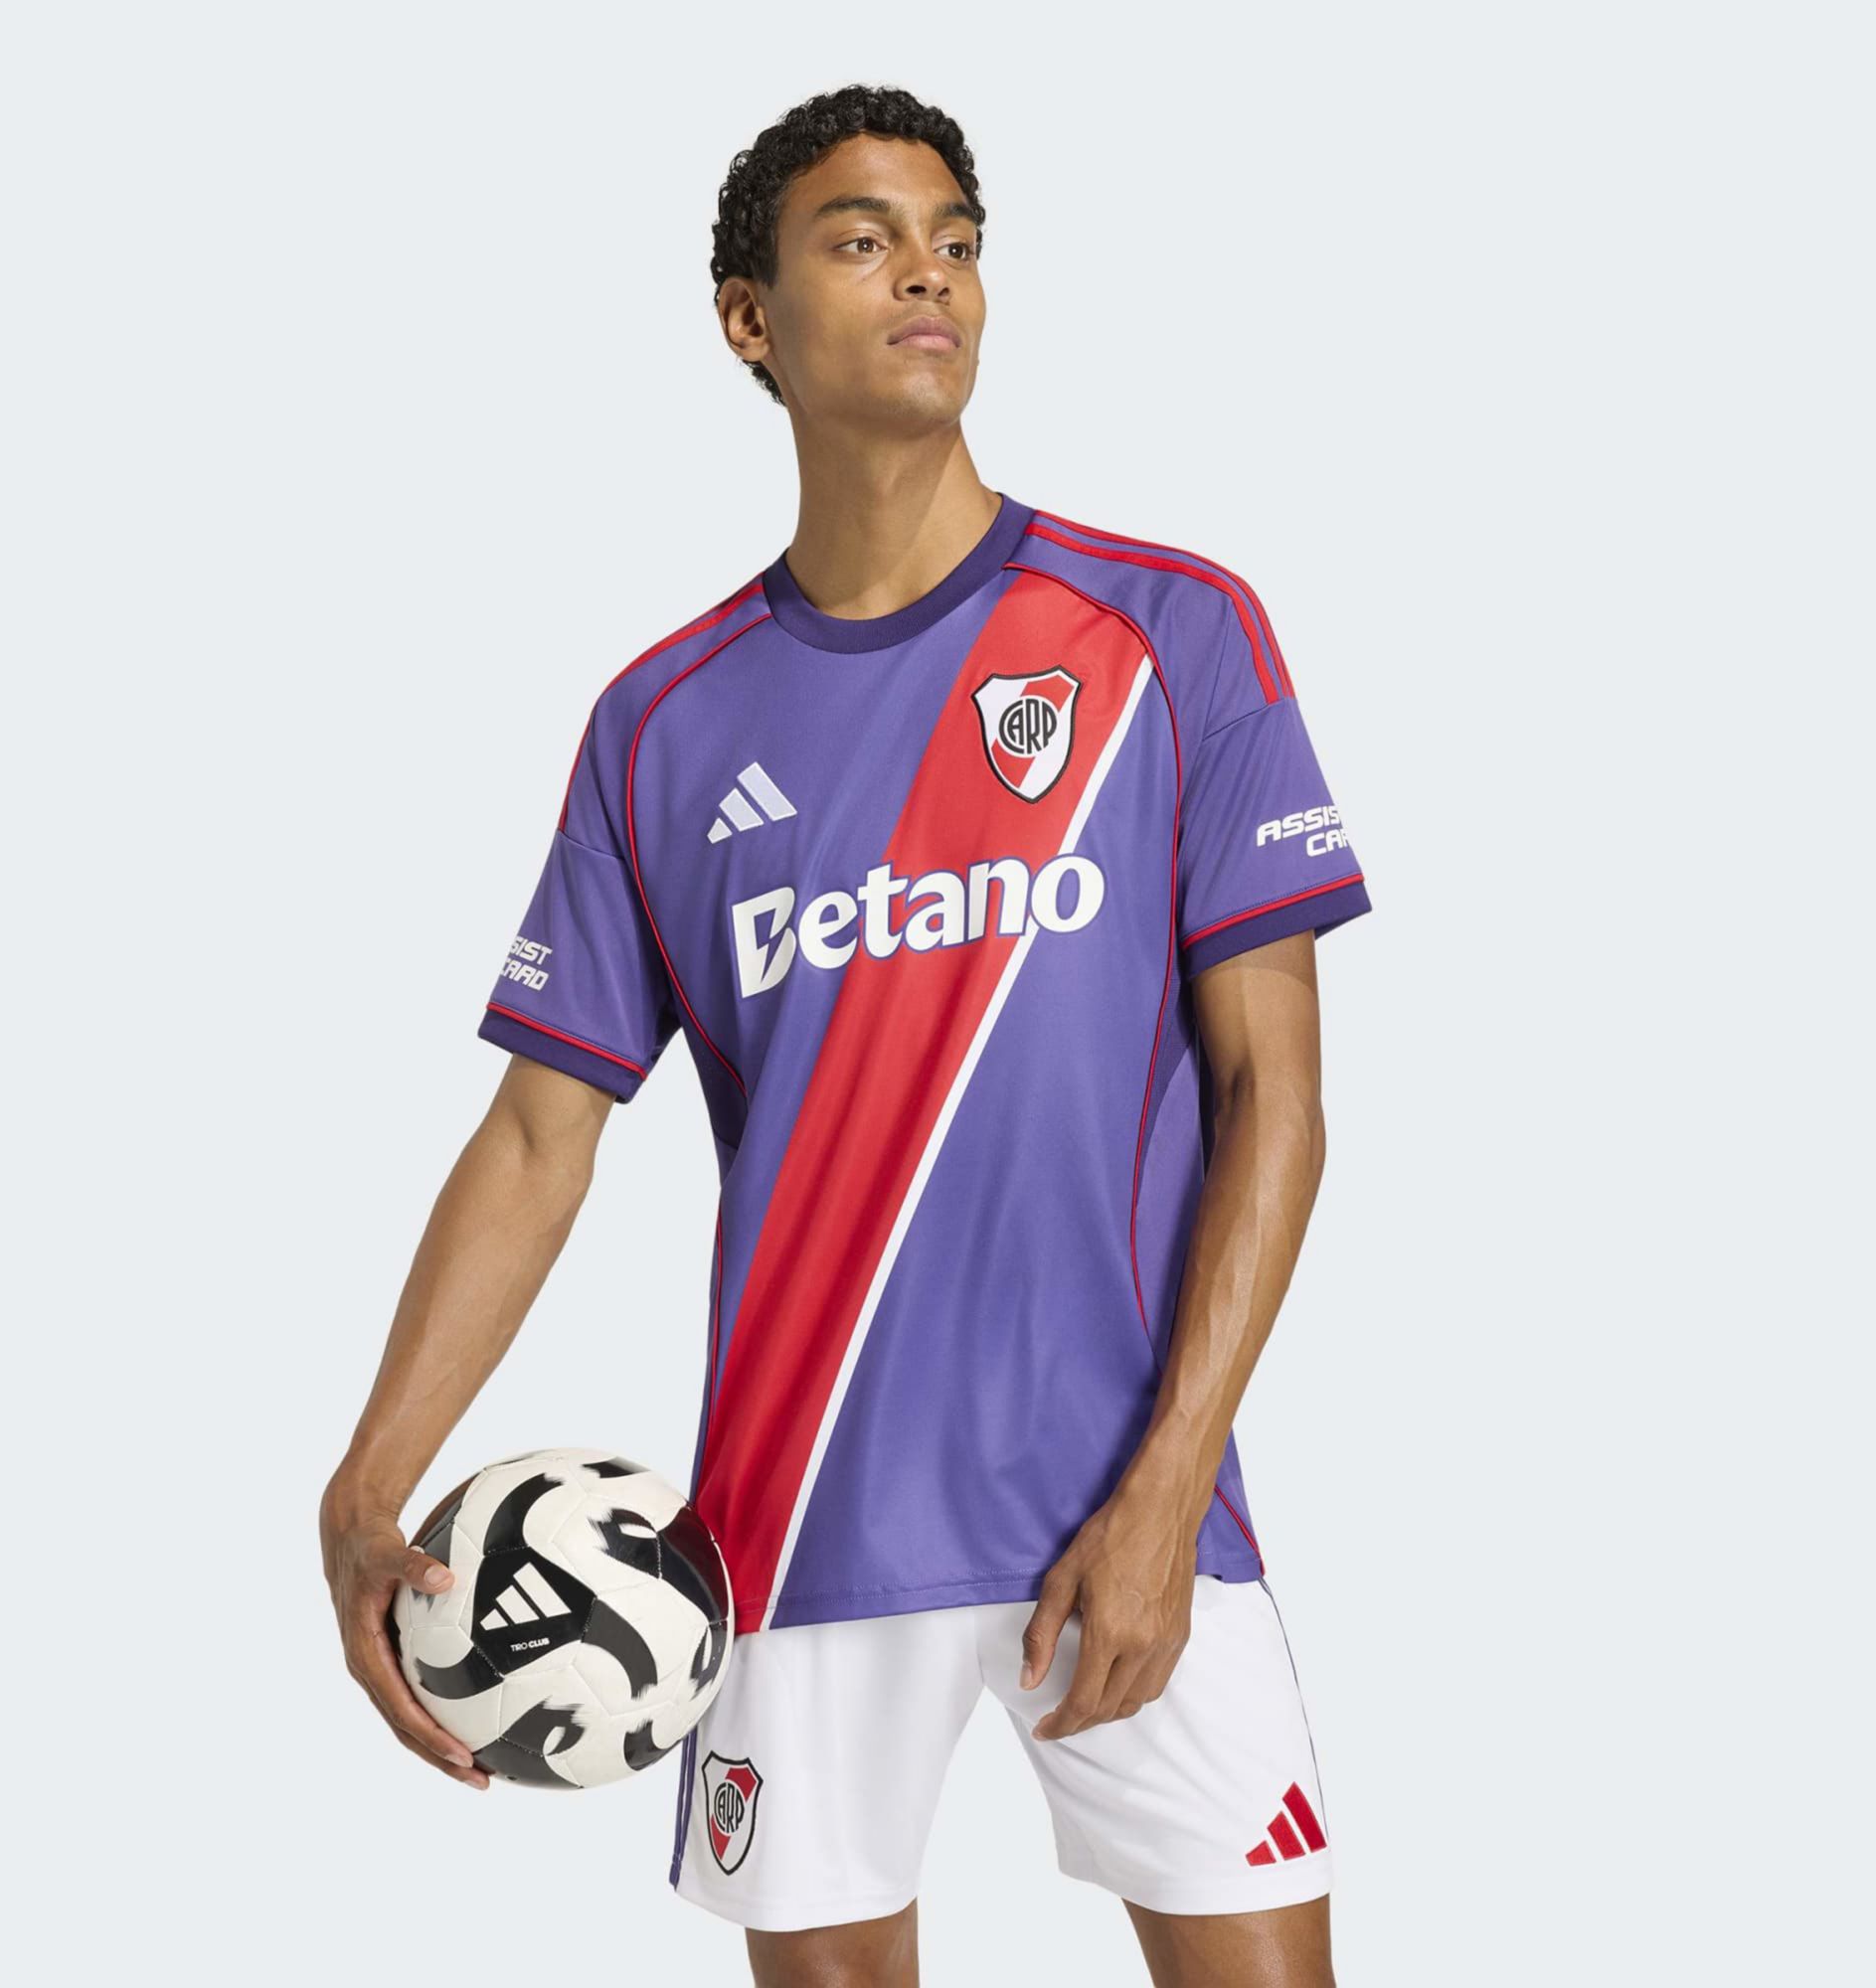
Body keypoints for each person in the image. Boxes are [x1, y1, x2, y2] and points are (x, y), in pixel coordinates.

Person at [320, 83, 1369, 1988]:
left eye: (955, 240)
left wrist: (1165, 1488)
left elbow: (1273, 1100)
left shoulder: (1167, 634)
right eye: (864, 240)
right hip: (791, 1521)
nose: (928, 276)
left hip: (1126, 1507)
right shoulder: (664, 723)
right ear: (751, 317)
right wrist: (370, 1479)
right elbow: (542, 1134)